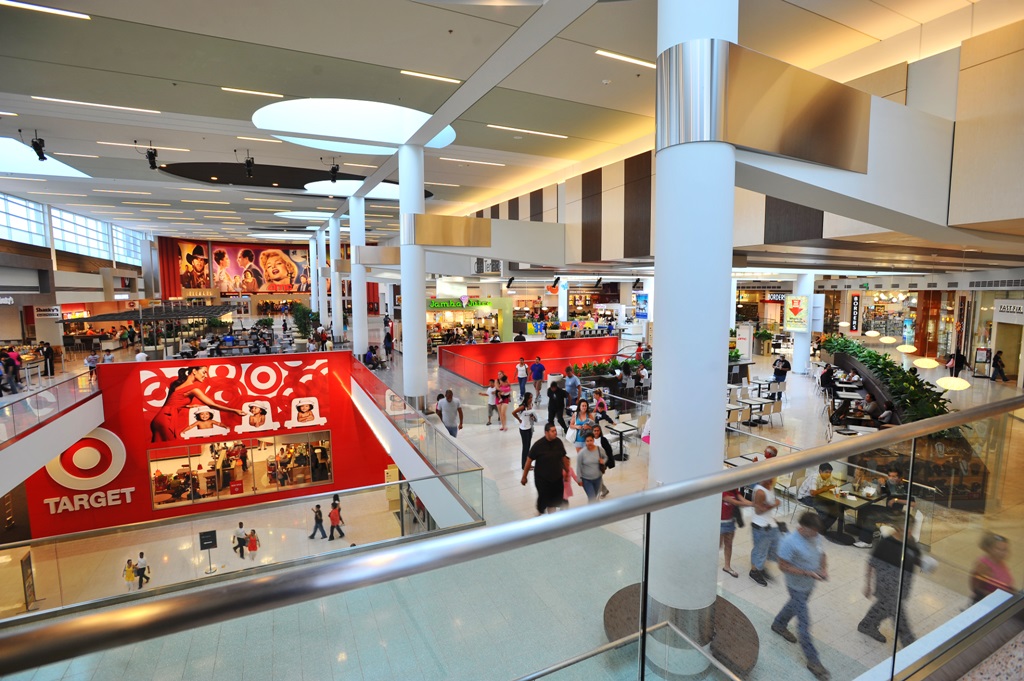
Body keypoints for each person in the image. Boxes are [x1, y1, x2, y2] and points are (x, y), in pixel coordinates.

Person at [771, 512, 830, 681]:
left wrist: (823, 568)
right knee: (804, 623)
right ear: (803, 528)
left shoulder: (816, 536)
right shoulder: (789, 542)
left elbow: (822, 554)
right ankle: (813, 661)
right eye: (813, 531)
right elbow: (783, 566)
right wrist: (808, 573)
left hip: (809, 585)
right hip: (796, 586)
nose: (816, 534)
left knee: (795, 605)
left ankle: (779, 623)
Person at [858, 516, 920, 646]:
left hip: (903, 584)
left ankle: (867, 624)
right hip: (887, 584)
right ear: (899, 528)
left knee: (884, 606)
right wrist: (867, 584)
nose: (910, 533)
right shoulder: (887, 543)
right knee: (897, 613)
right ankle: (909, 642)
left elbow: (915, 558)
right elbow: (871, 563)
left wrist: (925, 564)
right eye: (907, 529)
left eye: (911, 530)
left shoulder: (911, 541)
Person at [149, 366, 245, 442]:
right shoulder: (193, 389)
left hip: (161, 418)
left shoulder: (178, 384)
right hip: (167, 419)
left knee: (161, 449)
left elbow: (173, 400)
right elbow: (212, 405)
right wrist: (234, 410)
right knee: (171, 449)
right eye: (204, 372)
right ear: (194, 371)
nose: (206, 376)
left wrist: (187, 406)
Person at [521, 423, 570, 515]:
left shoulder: (558, 442)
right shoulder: (538, 445)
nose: (555, 433)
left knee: (555, 501)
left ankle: (552, 519)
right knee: (544, 498)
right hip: (542, 479)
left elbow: (563, 457)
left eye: (555, 430)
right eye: (552, 431)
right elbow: (528, 461)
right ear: (546, 432)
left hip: (557, 478)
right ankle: (540, 512)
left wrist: (567, 472)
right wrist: (524, 476)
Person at [749, 476, 781, 586]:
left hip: (770, 524)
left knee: (772, 547)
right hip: (760, 526)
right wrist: (774, 504)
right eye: (769, 478)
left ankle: (760, 567)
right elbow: (758, 511)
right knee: (760, 550)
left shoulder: (770, 487)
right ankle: (754, 571)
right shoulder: (760, 492)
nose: (772, 480)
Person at [970, 532, 1016, 603]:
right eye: (999, 549)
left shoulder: (1000, 562)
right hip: (989, 601)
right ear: (989, 549)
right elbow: (976, 587)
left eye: (1005, 549)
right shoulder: (983, 566)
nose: (1003, 553)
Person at [797, 463, 840, 533]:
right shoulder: (815, 477)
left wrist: (825, 488)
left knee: (835, 508)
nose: (828, 474)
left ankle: (822, 528)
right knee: (824, 510)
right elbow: (813, 493)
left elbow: (835, 485)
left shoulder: (828, 475)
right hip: (805, 497)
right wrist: (825, 489)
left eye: (830, 472)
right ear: (820, 471)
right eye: (826, 472)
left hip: (818, 496)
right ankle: (818, 528)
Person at [721, 489, 753, 578]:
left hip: (730, 522)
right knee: (717, 545)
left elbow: (742, 499)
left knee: (728, 545)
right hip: (719, 523)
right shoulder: (722, 491)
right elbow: (736, 502)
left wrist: (752, 503)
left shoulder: (734, 490)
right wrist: (754, 504)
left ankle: (727, 566)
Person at [576, 432, 606, 503]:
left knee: (594, 497)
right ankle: (592, 512)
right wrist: (579, 479)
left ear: (593, 440)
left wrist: (603, 461)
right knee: (592, 497)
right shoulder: (582, 453)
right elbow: (578, 466)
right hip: (586, 480)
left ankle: (592, 510)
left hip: (598, 478)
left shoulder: (599, 450)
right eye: (587, 441)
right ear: (585, 442)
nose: (589, 443)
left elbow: (605, 457)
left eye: (590, 440)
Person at [513, 392, 540, 470]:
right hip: (523, 429)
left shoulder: (530, 406)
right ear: (526, 398)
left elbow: (530, 416)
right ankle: (524, 465)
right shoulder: (523, 407)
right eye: (529, 398)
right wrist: (519, 419)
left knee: (528, 447)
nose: (531, 399)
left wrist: (533, 417)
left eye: (532, 397)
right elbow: (514, 412)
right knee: (525, 448)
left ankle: (528, 464)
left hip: (529, 428)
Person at [591, 424, 614, 498]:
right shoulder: (590, 439)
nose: (596, 432)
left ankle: (599, 494)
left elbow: (609, 451)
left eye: (598, 431)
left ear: (600, 431)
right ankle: (604, 490)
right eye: (594, 431)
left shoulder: (603, 440)